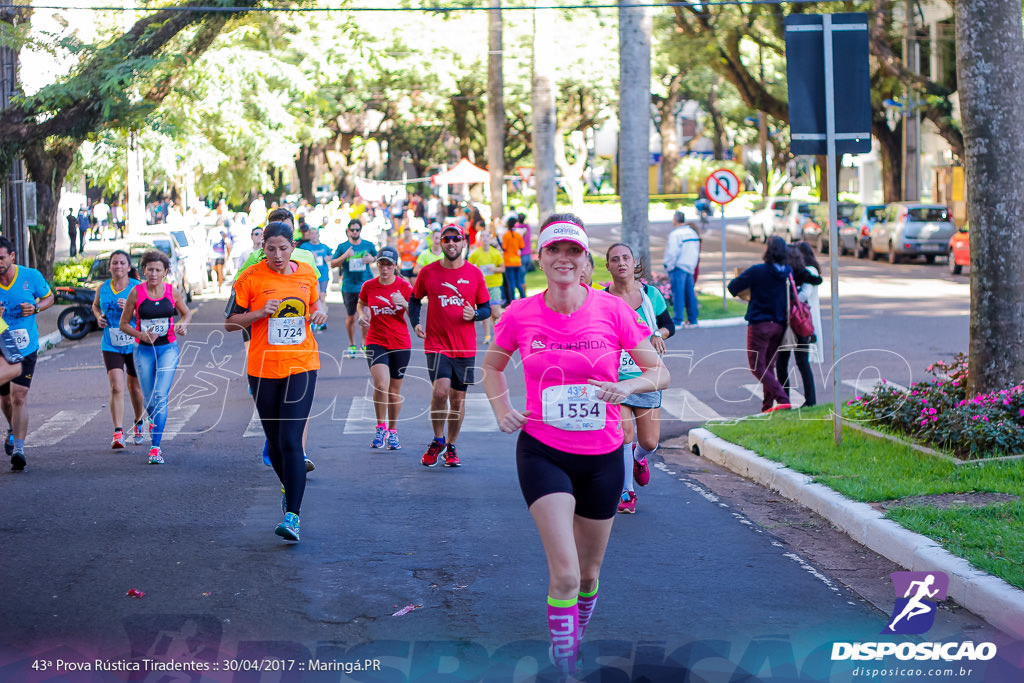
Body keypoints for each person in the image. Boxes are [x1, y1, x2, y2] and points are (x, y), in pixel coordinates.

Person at [480, 214, 669, 676]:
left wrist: (628, 388)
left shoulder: (613, 310)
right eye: (554, 251)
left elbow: (659, 371)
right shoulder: (521, 313)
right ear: (540, 258)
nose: (563, 259)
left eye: (573, 252)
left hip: (604, 457)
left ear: (585, 260)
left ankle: (575, 627)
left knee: (588, 574)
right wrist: (502, 410)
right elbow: (492, 367)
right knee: (564, 571)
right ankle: (565, 659)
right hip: (543, 450)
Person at [227, 222, 327, 542]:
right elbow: (230, 322)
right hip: (262, 368)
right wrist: (258, 314)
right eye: (271, 249)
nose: (278, 255)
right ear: (263, 248)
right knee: (274, 444)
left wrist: (320, 311)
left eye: (283, 248)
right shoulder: (250, 277)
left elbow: (315, 302)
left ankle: (292, 516)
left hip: (302, 364)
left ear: (292, 246)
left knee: (290, 440)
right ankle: (288, 486)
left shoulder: (307, 274)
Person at [408, 224, 490, 468]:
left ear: (464, 243)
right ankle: (437, 439)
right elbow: (414, 300)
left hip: (465, 347)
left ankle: (451, 446)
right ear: (441, 243)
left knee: (458, 400)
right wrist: (415, 323)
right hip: (436, 343)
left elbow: (486, 308)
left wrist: (474, 315)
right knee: (440, 391)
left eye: (456, 239)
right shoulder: (428, 272)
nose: (451, 243)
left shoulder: (474, 274)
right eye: (447, 239)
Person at [603, 243, 675, 514]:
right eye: (614, 260)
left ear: (635, 263)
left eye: (625, 258)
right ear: (608, 266)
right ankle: (627, 493)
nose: (621, 263)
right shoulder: (603, 300)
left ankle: (638, 458)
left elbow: (669, 325)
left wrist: (659, 335)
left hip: (647, 376)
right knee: (624, 433)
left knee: (648, 442)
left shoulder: (650, 295)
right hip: (617, 379)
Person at [119, 250, 192, 464]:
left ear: (165, 272)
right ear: (143, 271)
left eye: (158, 270)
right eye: (149, 269)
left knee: (160, 395)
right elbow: (124, 324)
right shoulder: (136, 293)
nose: (153, 273)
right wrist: (141, 334)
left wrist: (183, 325)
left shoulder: (172, 292)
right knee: (150, 398)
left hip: (168, 348)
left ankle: (155, 447)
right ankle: (153, 418)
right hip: (143, 350)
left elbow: (186, 314)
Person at [0, 237, 55, 471]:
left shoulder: (30, 276)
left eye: (1, 257)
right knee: (5, 399)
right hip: (1, 342)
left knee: (19, 395)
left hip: (25, 346)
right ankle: (12, 428)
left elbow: (49, 297)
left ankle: (20, 449)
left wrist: (35, 308)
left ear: (12, 257)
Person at [727, 235, 793, 414]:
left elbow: (733, 287)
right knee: (768, 366)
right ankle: (767, 408)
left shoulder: (757, 271)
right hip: (779, 324)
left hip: (759, 324)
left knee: (757, 367)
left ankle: (782, 398)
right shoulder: (787, 272)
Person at [357, 246, 413, 451]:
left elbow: (414, 313)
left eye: (389, 265)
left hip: (400, 342)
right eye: (381, 264)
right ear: (377, 264)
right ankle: (380, 427)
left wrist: (405, 304)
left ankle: (393, 430)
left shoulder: (404, 286)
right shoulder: (369, 286)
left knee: (394, 391)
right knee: (381, 384)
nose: (385, 269)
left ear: (395, 266)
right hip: (375, 340)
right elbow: (361, 303)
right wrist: (363, 315)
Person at [91, 250, 147, 449]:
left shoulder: (137, 287)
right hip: (111, 342)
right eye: (114, 263)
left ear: (129, 267)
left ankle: (139, 422)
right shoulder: (103, 288)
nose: (118, 266)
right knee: (116, 386)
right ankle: (118, 433)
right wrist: (98, 317)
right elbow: (95, 306)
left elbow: (147, 312)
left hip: (134, 343)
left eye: (122, 263)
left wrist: (132, 308)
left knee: (135, 387)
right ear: (109, 267)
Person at [776, 242, 824, 408]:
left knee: (786, 362)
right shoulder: (801, 272)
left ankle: (789, 399)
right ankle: (806, 400)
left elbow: (805, 291)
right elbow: (817, 280)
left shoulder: (788, 272)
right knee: (799, 363)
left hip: (791, 322)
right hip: (798, 322)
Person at [331, 219, 377, 358]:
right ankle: (352, 344)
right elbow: (333, 264)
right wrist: (345, 256)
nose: (355, 232)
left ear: (360, 231)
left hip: (365, 284)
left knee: (366, 315)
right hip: (349, 286)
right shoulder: (343, 246)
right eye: (353, 230)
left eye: (357, 230)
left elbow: (377, 257)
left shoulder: (368, 245)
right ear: (348, 231)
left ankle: (364, 343)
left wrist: (372, 259)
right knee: (351, 317)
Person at [664, 210, 701, 328]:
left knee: (678, 294)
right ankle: (692, 319)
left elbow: (672, 252)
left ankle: (678, 319)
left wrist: (668, 265)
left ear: (675, 220)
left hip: (678, 266)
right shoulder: (692, 233)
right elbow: (696, 250)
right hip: (689, 266)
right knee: (690, 293)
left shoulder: (675, 234)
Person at [467, 232, 505, 344]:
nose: (485, 238)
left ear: (490, 238)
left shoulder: (495, 253)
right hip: (482, 286)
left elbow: (502, 268)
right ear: (480, 239)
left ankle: (498, 334)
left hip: (494, 285)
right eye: (482, 236)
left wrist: (493, 269)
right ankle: (488, 336)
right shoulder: (476, 253)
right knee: (485, 313)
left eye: (487, 236)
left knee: (496, 313)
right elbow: (468, 267)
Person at [300, 227, 334, 332]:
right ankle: (312, 319)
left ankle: (322, 320)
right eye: (312, 233)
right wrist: (310, 257)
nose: (314, 235)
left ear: (318, 235)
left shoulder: (324, 247)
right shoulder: (304, 247)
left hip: (322, 275)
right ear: (309, 235)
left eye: (316, 233)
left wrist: (329, 259)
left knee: (322, 297)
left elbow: (331, 256)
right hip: (309, 276)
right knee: (311, 299)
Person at [502, 217, 526, 303]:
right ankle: (523, 298)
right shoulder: (518, 235)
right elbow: (522, 246)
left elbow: (504, 247)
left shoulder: (506, 235)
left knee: (511, 283)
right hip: (517, 261)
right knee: (518, 281)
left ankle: (512, 300)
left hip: (508, 261)